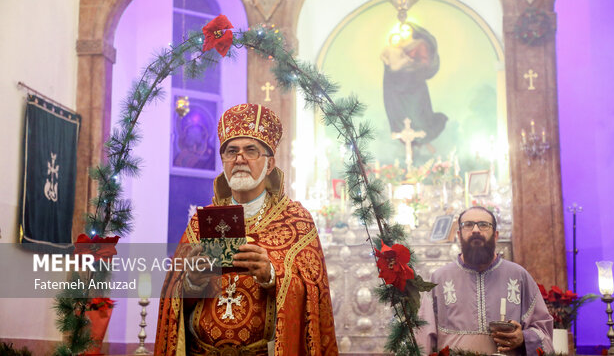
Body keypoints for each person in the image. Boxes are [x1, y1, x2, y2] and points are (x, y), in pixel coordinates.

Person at [155, 103, 338, 356]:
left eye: (250, 150)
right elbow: (172, 301)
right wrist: (191, 283)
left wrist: (273, 276)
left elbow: (313, 298)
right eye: (231, 152)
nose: (239, 158)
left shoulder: (296, 221)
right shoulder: (200, 224)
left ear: (270, 163)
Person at [416, 206, 553, 355]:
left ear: (496, 235)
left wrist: (523, 338)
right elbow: (423, 338)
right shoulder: (439, 278)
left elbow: (544, 331)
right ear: (458, 235)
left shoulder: (519, 276)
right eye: (468, 225)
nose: (475, 230)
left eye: (483, 225)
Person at [381, 22, 447, 145]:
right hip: (398, 88)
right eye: (402, 31)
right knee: (400, 115)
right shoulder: (398, 47)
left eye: (407, 30)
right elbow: (388, 62)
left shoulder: (420, 44)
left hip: (415, 87)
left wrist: (410, 66)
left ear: (413, 31)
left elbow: (424, 62)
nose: (405, 33)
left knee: (417, 115)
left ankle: (422, 139)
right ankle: (410, 144)